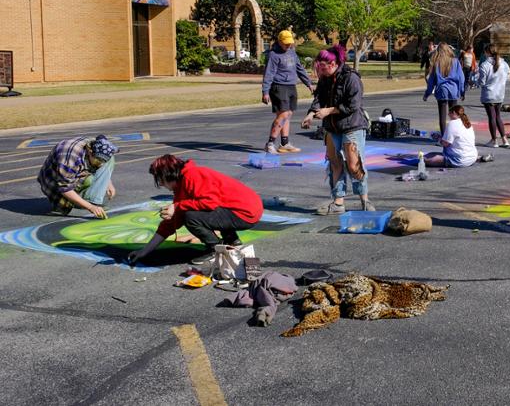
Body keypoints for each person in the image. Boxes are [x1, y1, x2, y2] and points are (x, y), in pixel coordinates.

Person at [126, 155, 263, 267]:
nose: (160, 184)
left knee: (191, 216)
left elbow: (210, 203)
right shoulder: (181, 186)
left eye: (160, 179)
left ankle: (215, 249)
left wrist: (178, 207)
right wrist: (144, 251)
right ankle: (232, 241)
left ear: (168, 174)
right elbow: (171, 223)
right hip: (241, 209)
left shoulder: (193, 175)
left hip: (246, 212)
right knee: (193, 212)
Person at [301, 45, 370, 215]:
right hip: (332, 128)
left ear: (333, 64)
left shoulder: (351, 78)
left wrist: (329, 111)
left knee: (354, 166)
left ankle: (364, 200)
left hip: (352, 126)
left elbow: (353, 105)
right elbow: (319, 98)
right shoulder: (325, 78)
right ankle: (338, 202)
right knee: (334, 163)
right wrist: (310, 114)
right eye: (319, 68)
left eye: (323, 67)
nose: (321, 71)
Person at [38, 134, 119, 218]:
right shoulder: (69, 160)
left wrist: (108, 182)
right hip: (53, 181)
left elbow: (102, 143)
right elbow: (65, 188)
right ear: (89, 151)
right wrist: (90, 207)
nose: (101, 164)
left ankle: (93, 201)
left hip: (76, 170)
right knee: (64, 207)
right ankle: (63, 202)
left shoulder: (95, 145)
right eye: (98, 161)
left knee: (109, 159)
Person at [261, 30, 314, 154]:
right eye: (285, 43)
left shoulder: (292, 52)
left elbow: (299, 68)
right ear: (279, 41)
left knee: (288, 115)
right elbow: (269, 74)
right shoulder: (273, 55)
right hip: (279, 87)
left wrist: (309, 84)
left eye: (289, 43)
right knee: (283, 115)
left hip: (291, 86)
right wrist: (265, 91)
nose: (288, 45)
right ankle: (270, 143)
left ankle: (284, 143)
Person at [424, 43, 466, 135]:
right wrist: (462, 92)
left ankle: (443, 137)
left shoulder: (436, 63)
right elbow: (461, 78)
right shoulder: (455, 61)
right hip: (454, 90)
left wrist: (427, 93)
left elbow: (431, 81)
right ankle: (454, 135)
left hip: (442, 90)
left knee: (442, 116)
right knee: (454, 115)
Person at [478, 44, 510, 148]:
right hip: (500, 93)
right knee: (498, 116)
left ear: (487, 52)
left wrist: (474, 80)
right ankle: (504, 139)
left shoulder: (484, 65)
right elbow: (507, 77)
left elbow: (482, 82)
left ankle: (494, 140)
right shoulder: (504, 64)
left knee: (492, 117)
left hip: (489, 93)